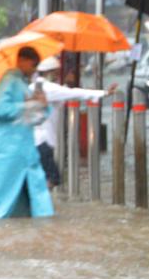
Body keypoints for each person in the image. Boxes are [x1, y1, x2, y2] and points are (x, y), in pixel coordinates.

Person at [0, 46, 54, 219]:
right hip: (8, 152)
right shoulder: (9, 80)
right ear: (22, 60)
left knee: (35, 200)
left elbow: (34, 118)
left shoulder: (23, 85)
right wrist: (29, 105)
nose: (35, 70)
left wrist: (42, 105)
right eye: (33, 65)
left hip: (24, 152)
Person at [31, 56, 118, 190]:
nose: (56, 75)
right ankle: (38, 203)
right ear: (49, 72)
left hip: (31, 141)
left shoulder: (32, 87)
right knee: (53, 178)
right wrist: (104, 93)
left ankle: (38, 203)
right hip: (43, 141)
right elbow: (75, 93)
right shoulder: (49, 88)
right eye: (55, 73)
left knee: (43, 176)